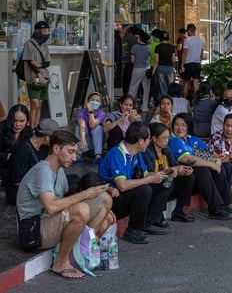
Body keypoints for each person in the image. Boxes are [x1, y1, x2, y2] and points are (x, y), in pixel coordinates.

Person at [17, 130, 113, 279]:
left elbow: (67, 198)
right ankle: (61, 262)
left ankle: (83, 251)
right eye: (70, 152)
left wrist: (97, 202)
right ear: (56, 149)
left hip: (50, 222)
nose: (74, 157)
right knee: (81, 210)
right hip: (33, 231)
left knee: (105, 199)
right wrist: (85, 195)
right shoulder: (43, 171)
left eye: (75, 153)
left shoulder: (59, 170)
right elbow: (52, 207)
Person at [99, 121, 172, 244]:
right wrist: (149, 179)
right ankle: (133, 230)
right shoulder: (117, 153)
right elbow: (122, 186)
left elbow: (146, 174)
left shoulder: (137, 154)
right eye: (148, 138)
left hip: (126, 194)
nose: (149, 142)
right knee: (144, 189)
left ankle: (149, 221)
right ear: (140, 141)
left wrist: (165, 173)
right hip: (112, 198)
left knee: (165, 182)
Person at [168, 113, 232, 220]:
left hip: (198, 181)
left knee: (219, 167)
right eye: (176, 125)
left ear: (189, 126)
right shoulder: (173, 141)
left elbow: (210, 154)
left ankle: (225, 204)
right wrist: (211, 164)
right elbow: (188, 159)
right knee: (201, 169)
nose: (180, 128)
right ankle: (215, 208)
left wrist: (216, 161)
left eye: (183, 125)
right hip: (183, 180)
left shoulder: (193, 139)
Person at [143, 122, 196, 223]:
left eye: (168, 138)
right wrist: (173, 169)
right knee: (166, 183)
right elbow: (150, 173)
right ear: (154, 138)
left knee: (189, 177)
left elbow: (174, 165)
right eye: (163, 138)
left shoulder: (167, 150)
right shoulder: (148, 152)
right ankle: (156, 218)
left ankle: (179, 211)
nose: (167, 141)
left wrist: (183, 170)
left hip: (167, 181)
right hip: (154, 184)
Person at [6, 119, 59, 205]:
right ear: (47, 137)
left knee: (73, 180)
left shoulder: (44, 147)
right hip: (20, 191)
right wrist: (44, 185)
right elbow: (17, 181)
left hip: (38, 184)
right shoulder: (22, 151)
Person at [23, 21, 52, 127]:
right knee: (34, 104)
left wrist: (39, 64)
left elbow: (47, 62)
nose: (47, 33)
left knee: (39, 104)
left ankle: (35, 127)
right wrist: (38, 73)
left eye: (48, 31)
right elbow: (30, 63)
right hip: (33, 78)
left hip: (45, 77)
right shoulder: (29, 44)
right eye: (44, 30)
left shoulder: (45, 46)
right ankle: (30, 128)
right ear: (38, 31)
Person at [0, 104, 32, 187]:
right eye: (14, 120)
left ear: (27, 121)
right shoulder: (1, 128)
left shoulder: (28, 131)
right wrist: (7, 156)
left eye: (22, 121)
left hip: (18, 168)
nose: (18, 124)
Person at [75, 92, 105, 162]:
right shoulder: (81, 112)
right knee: (79, 127)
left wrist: (91, 112)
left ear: (100, 104)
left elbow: (92, 125)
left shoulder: (101, 113)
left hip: (98, 143)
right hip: (85, 142)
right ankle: (78, 154)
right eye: (93, 100)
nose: (95, 102)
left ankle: (98, 155)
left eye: (97, 101)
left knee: (97, 127)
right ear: (88, 102)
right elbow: (81, 123)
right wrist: (83, 139)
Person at [127, 30, 151, 112]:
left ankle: (129, 106)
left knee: (133, 88)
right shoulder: (148, 48)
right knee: (146, 89)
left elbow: (132, 60)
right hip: (146, 69)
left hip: (137, 68)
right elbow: (148, 59)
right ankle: (144, 107)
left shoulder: (135, 47)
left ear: (140, 39)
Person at [180, 23, 205, 99]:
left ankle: (184, 100)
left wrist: (182, 65)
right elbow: (201, 54)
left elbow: (184, 53)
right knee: (196, 82)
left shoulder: (187, 40)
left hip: (188, 64)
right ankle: (196, 100)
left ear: (188, 31)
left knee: (186, 82)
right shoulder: (200, 41)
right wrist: (199, 61)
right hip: (197, 63)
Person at [152, 30, 176, 101]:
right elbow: (173, 60)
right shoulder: (172, 47)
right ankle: (170, 102)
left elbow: (156, 61)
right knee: (170, 85)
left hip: (160, 68)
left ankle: (163, 102)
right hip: (169, 68)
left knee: (162, 86)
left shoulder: (158, 47)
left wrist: (153, 71)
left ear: (160, 38)